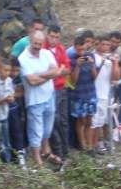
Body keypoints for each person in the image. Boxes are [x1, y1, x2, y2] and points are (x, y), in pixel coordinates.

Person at [18, 30, 59, 166]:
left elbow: (56, 71)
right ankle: (37, 159)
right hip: (35, 99)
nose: (37, 46)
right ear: (30, 41)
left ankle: (45, 150)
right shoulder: (23, 58)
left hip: (49, 95)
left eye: (40, 44)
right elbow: (32, 81)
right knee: (35, 130)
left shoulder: (46, 53)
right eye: (35, 43)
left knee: (47, 128)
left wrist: (40, 75)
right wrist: (49, 75)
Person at [43, 24, 71, 162]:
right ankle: (58, 152)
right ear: (47, 35)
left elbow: (67, 69)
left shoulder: (60, 48)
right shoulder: (43, 50)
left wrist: (57, 71)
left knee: (63, 121)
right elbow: (47, 72)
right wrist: (59, 70)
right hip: (50, 89)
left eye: (57, 37)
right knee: (53, 121)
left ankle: (65, 150)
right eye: (52, 36)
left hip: (61, 88)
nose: (54, 40)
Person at [91, 33, 119, 154]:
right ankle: (94, 144)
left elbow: (115, 78)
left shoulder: (111, 57)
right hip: (96, 94)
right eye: (104, 44)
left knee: (106, 121)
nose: (106, 47)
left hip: (107, 94)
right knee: (95, 122)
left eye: (108, 44)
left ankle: (106, 141)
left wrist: (115, 63)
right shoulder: (93, 57)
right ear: (98, 44)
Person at [68, 33, 97, 151]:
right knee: (81, 121)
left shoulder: (90, 56)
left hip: (90, 93)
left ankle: (90, 146)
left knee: (90, 120)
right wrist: (78, 66)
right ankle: (83, 145)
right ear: (74, 47)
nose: (81, 52)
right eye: (79, 49)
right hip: (78, 96)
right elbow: (73, 81)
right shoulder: (71, 60)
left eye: (83, 49)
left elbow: (95, 77)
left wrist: (92, 65)